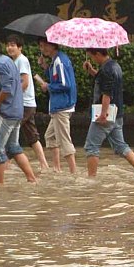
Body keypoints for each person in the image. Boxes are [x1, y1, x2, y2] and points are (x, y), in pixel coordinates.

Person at [82, 47, 134, 180]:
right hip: (117, 115)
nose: (93, 59)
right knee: (120, 145)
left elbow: (107, 93)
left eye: (93, 56)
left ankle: (91, 179)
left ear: (99, 54)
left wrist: (103, 114)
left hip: (106, 115)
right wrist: (92, 71)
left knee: (91, 146)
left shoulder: (106, 69)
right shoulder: (114, 66)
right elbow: (105, 83)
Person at [0, 34, 37, 184]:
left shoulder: (0, 64)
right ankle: (32, 179)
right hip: (16, 111)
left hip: (7, 113)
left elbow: (7, 88)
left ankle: (0, 185)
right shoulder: (7, 61)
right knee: (13, 148)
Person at [6, 34, 49, 172]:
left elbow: (25, 82)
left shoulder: (21, 60)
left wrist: (12, 97)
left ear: (20, 47)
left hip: (23, 103)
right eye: (8, 45)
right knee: (32, 136)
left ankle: (4, 164)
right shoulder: (15, 61)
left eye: (13, 45)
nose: (10, 48)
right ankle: (44, 164)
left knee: (10, 131)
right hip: (27, 103)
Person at [35, 38, 77, 173]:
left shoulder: (60, 61)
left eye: (45, 45)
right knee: (50, 136)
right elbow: (56, 77)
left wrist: (48, 86)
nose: (43, 49)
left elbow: (65, 84)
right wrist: (45, 67)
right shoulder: (55, 60)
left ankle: (73, 172)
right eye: (41, 46)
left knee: (64, 140)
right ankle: (57, 168)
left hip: (62, 106)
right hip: (58, 106)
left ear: (53, 45)